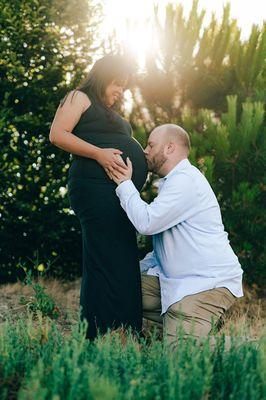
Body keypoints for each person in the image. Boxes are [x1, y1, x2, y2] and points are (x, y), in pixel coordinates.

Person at [110, 124, 244, 348]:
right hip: (176, 280)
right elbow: (166, 247)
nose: (145, 150)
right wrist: (132, 270)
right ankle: (197, 324)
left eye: (151, 145)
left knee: (178, 357)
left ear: (170, 148)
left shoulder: (185, 182)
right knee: (117, 287)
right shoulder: (172, 182)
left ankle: (245, 349)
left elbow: (147, 222)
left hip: (205, 284)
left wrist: (124, 184)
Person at [49, 55, 148, 340]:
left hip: (116, 194)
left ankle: (123, 332)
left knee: (123, 257)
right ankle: (96, 334)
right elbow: (57, 134)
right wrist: (99, 154)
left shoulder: (105, 109)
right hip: (94, 189)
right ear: (104, 76)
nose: (120, 92)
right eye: (118, 84)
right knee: (103, 259)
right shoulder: (79, 97)